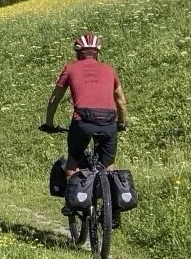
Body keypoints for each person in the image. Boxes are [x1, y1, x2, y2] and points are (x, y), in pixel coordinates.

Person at [41, 33, 128, 170]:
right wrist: (121, 123)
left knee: (72, 165)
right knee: (109, 165)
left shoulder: (70, 68)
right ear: (97, 54)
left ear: (78, 54)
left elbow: (54, 99)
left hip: (83, 122)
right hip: (109, 121)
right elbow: (121, 100)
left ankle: (75, 186)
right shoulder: (109, 69)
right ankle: (110, 188)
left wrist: (49, 123)